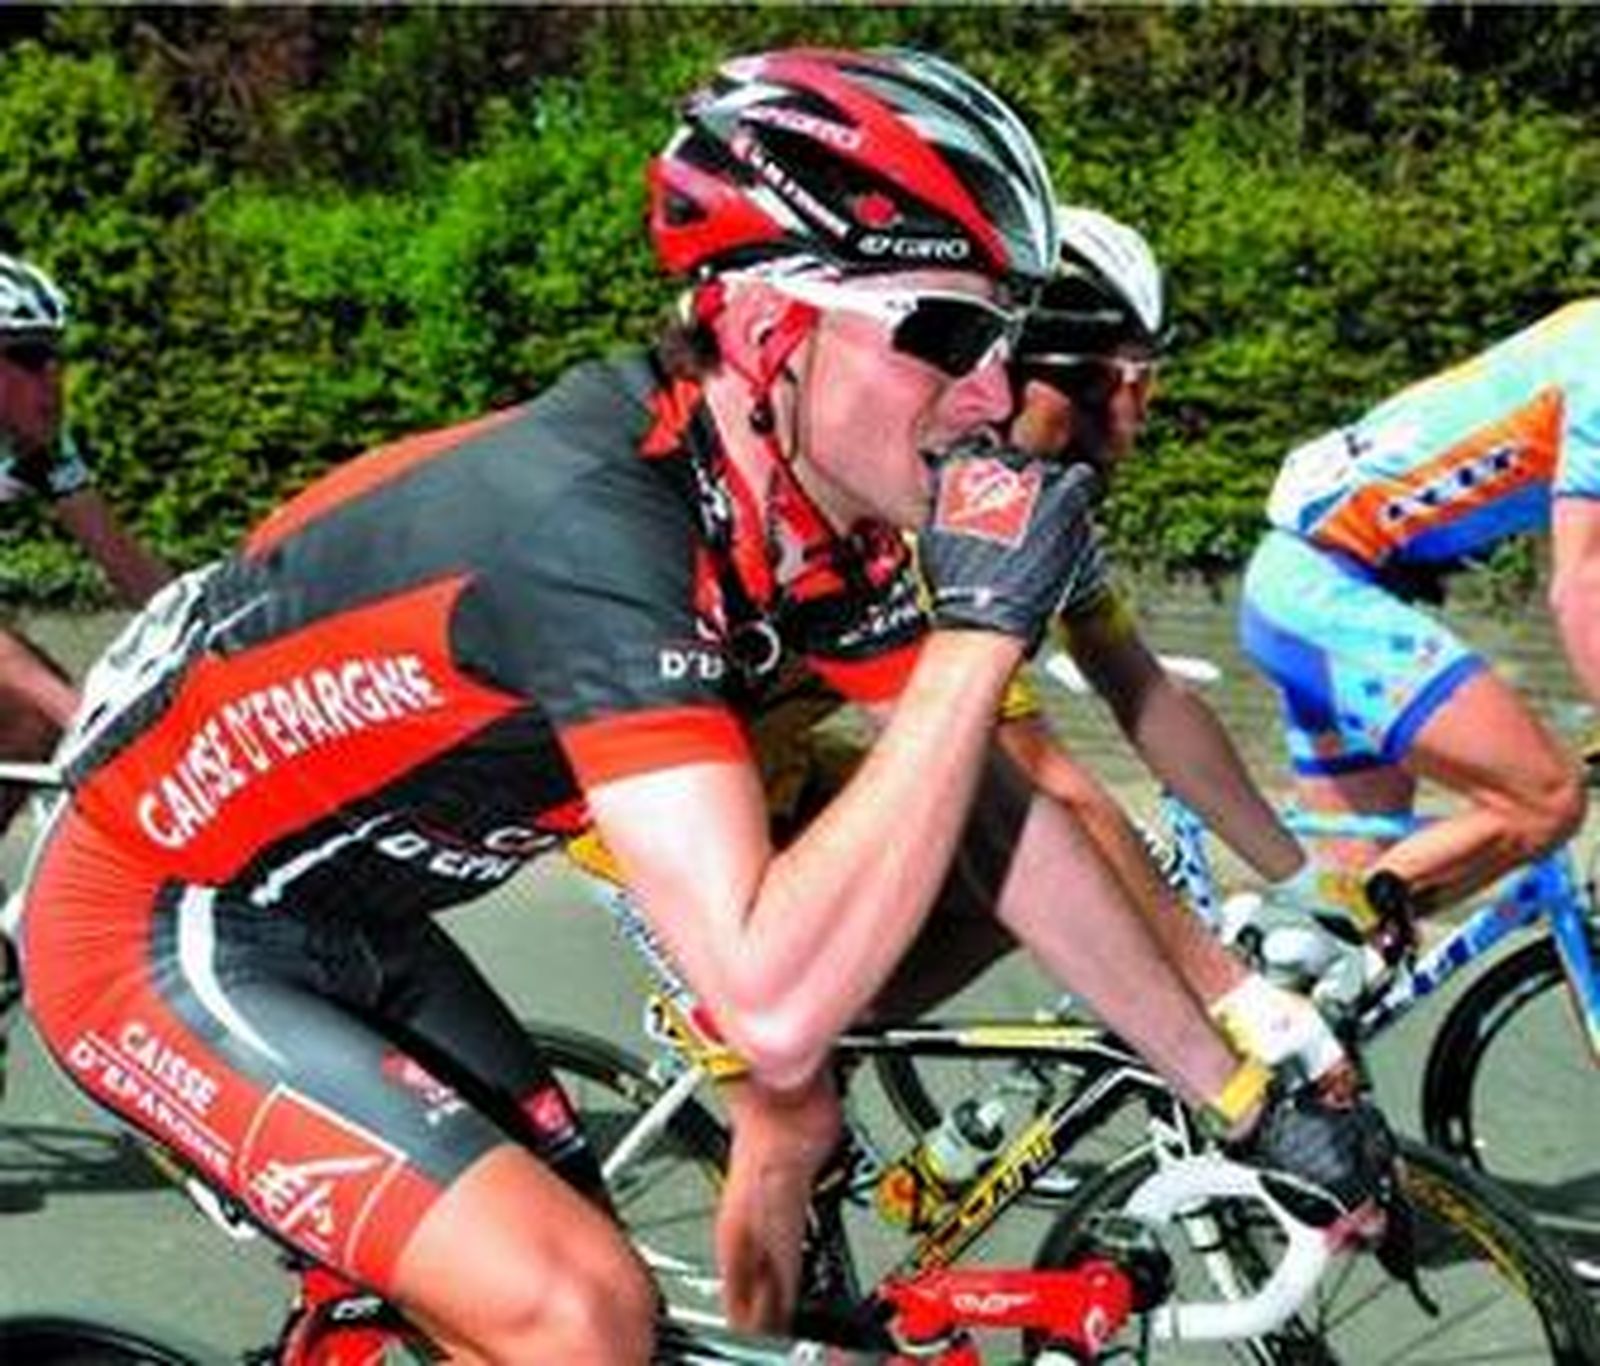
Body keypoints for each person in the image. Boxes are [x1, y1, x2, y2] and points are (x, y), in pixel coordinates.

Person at [17, 49, 1390, 1364]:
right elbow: (773, 1003)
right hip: (157, 917)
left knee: (592, 1298)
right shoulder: (595, 534)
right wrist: (984, 632)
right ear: (765, 326)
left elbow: (1008, 820)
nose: (993, 388)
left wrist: (1239, 1078)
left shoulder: (807, 517)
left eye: (1008, 335)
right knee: (580, 1314)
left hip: (352, 917)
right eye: (950, 330)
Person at [1238, 300, 1598, 971]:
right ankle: (1292, 929)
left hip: (1313, 592)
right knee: (1547, 796)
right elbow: (1582, 586)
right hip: (1326, 593)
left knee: (1342, 958)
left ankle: (1268, 995)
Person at [0, 251, 171, 834]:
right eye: (27, 356)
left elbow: (132, 570)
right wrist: (82, 715)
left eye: (56, 355)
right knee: (39, 700)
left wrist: (225, 649)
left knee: (29, 720)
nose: (52, 377)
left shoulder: (38, 447)